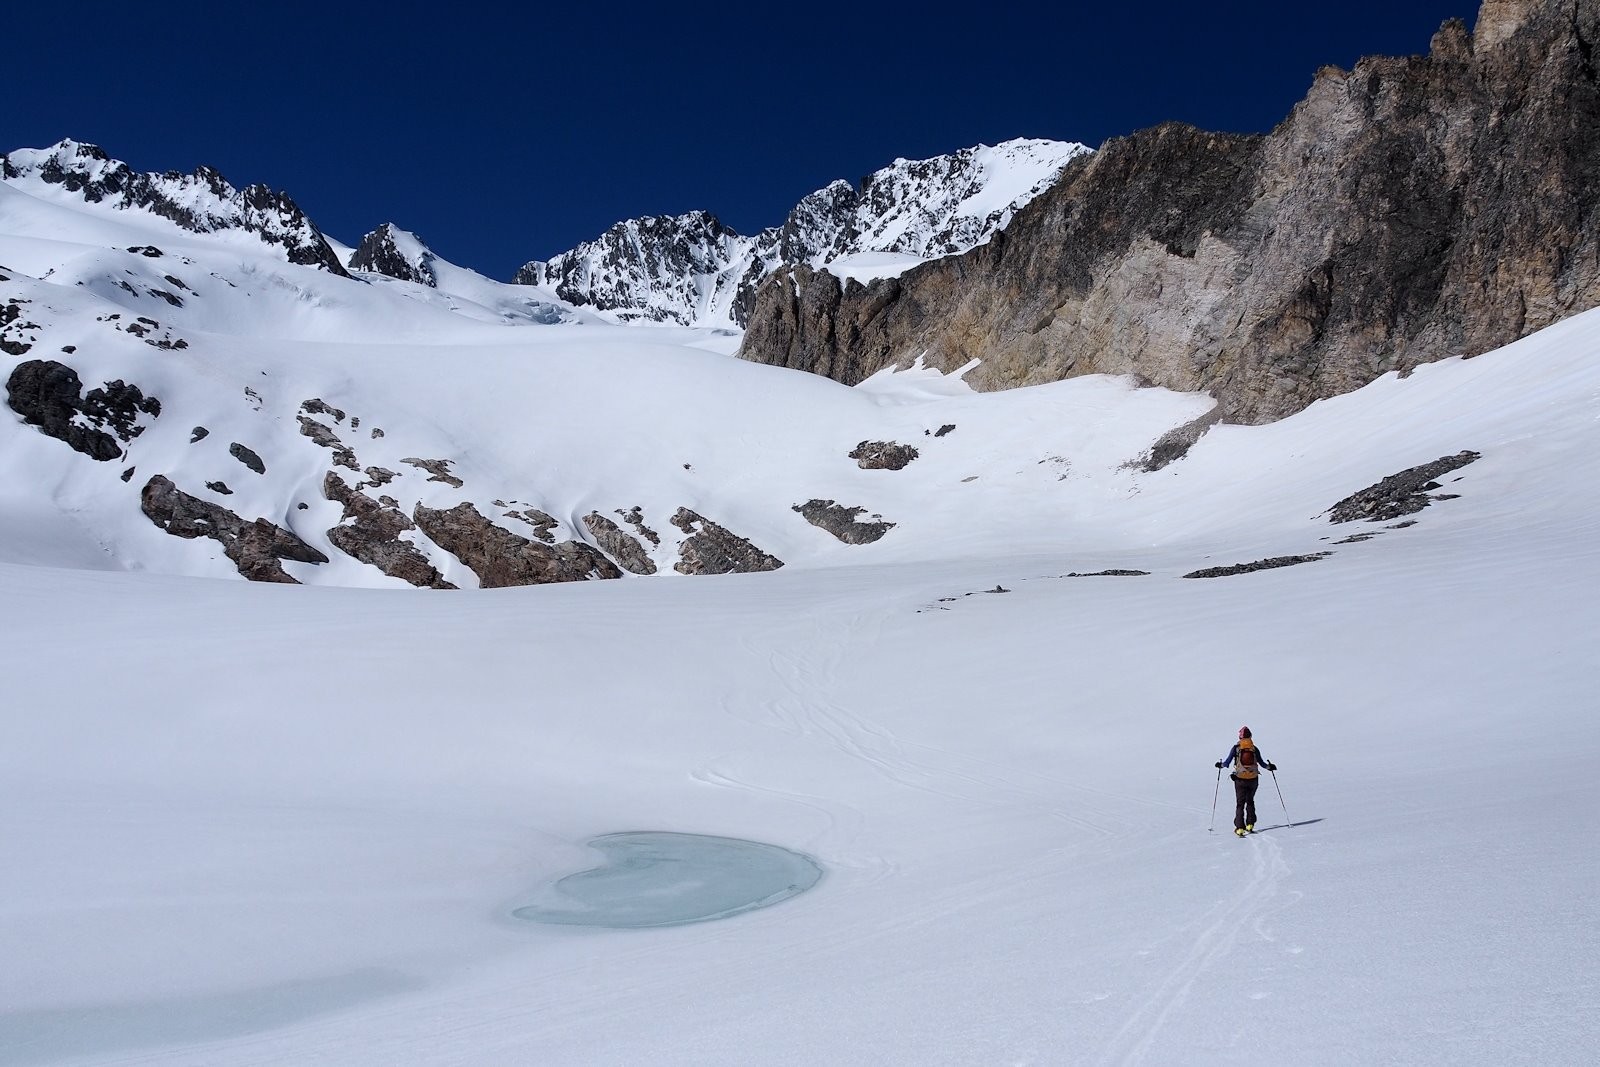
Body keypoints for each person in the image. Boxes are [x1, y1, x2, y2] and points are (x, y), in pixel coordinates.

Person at [1216, 726, 1277, 836]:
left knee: (1240, 803)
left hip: (1239, 779)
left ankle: (1240, 828)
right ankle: (1250, 824)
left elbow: (1226, 763)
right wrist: (1270, 767)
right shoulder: (1254, 748)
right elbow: (1262, 764)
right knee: (1250, 801)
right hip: (1253, 779)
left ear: (1240, 736)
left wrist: (1220, 765)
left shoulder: (1236, 748)